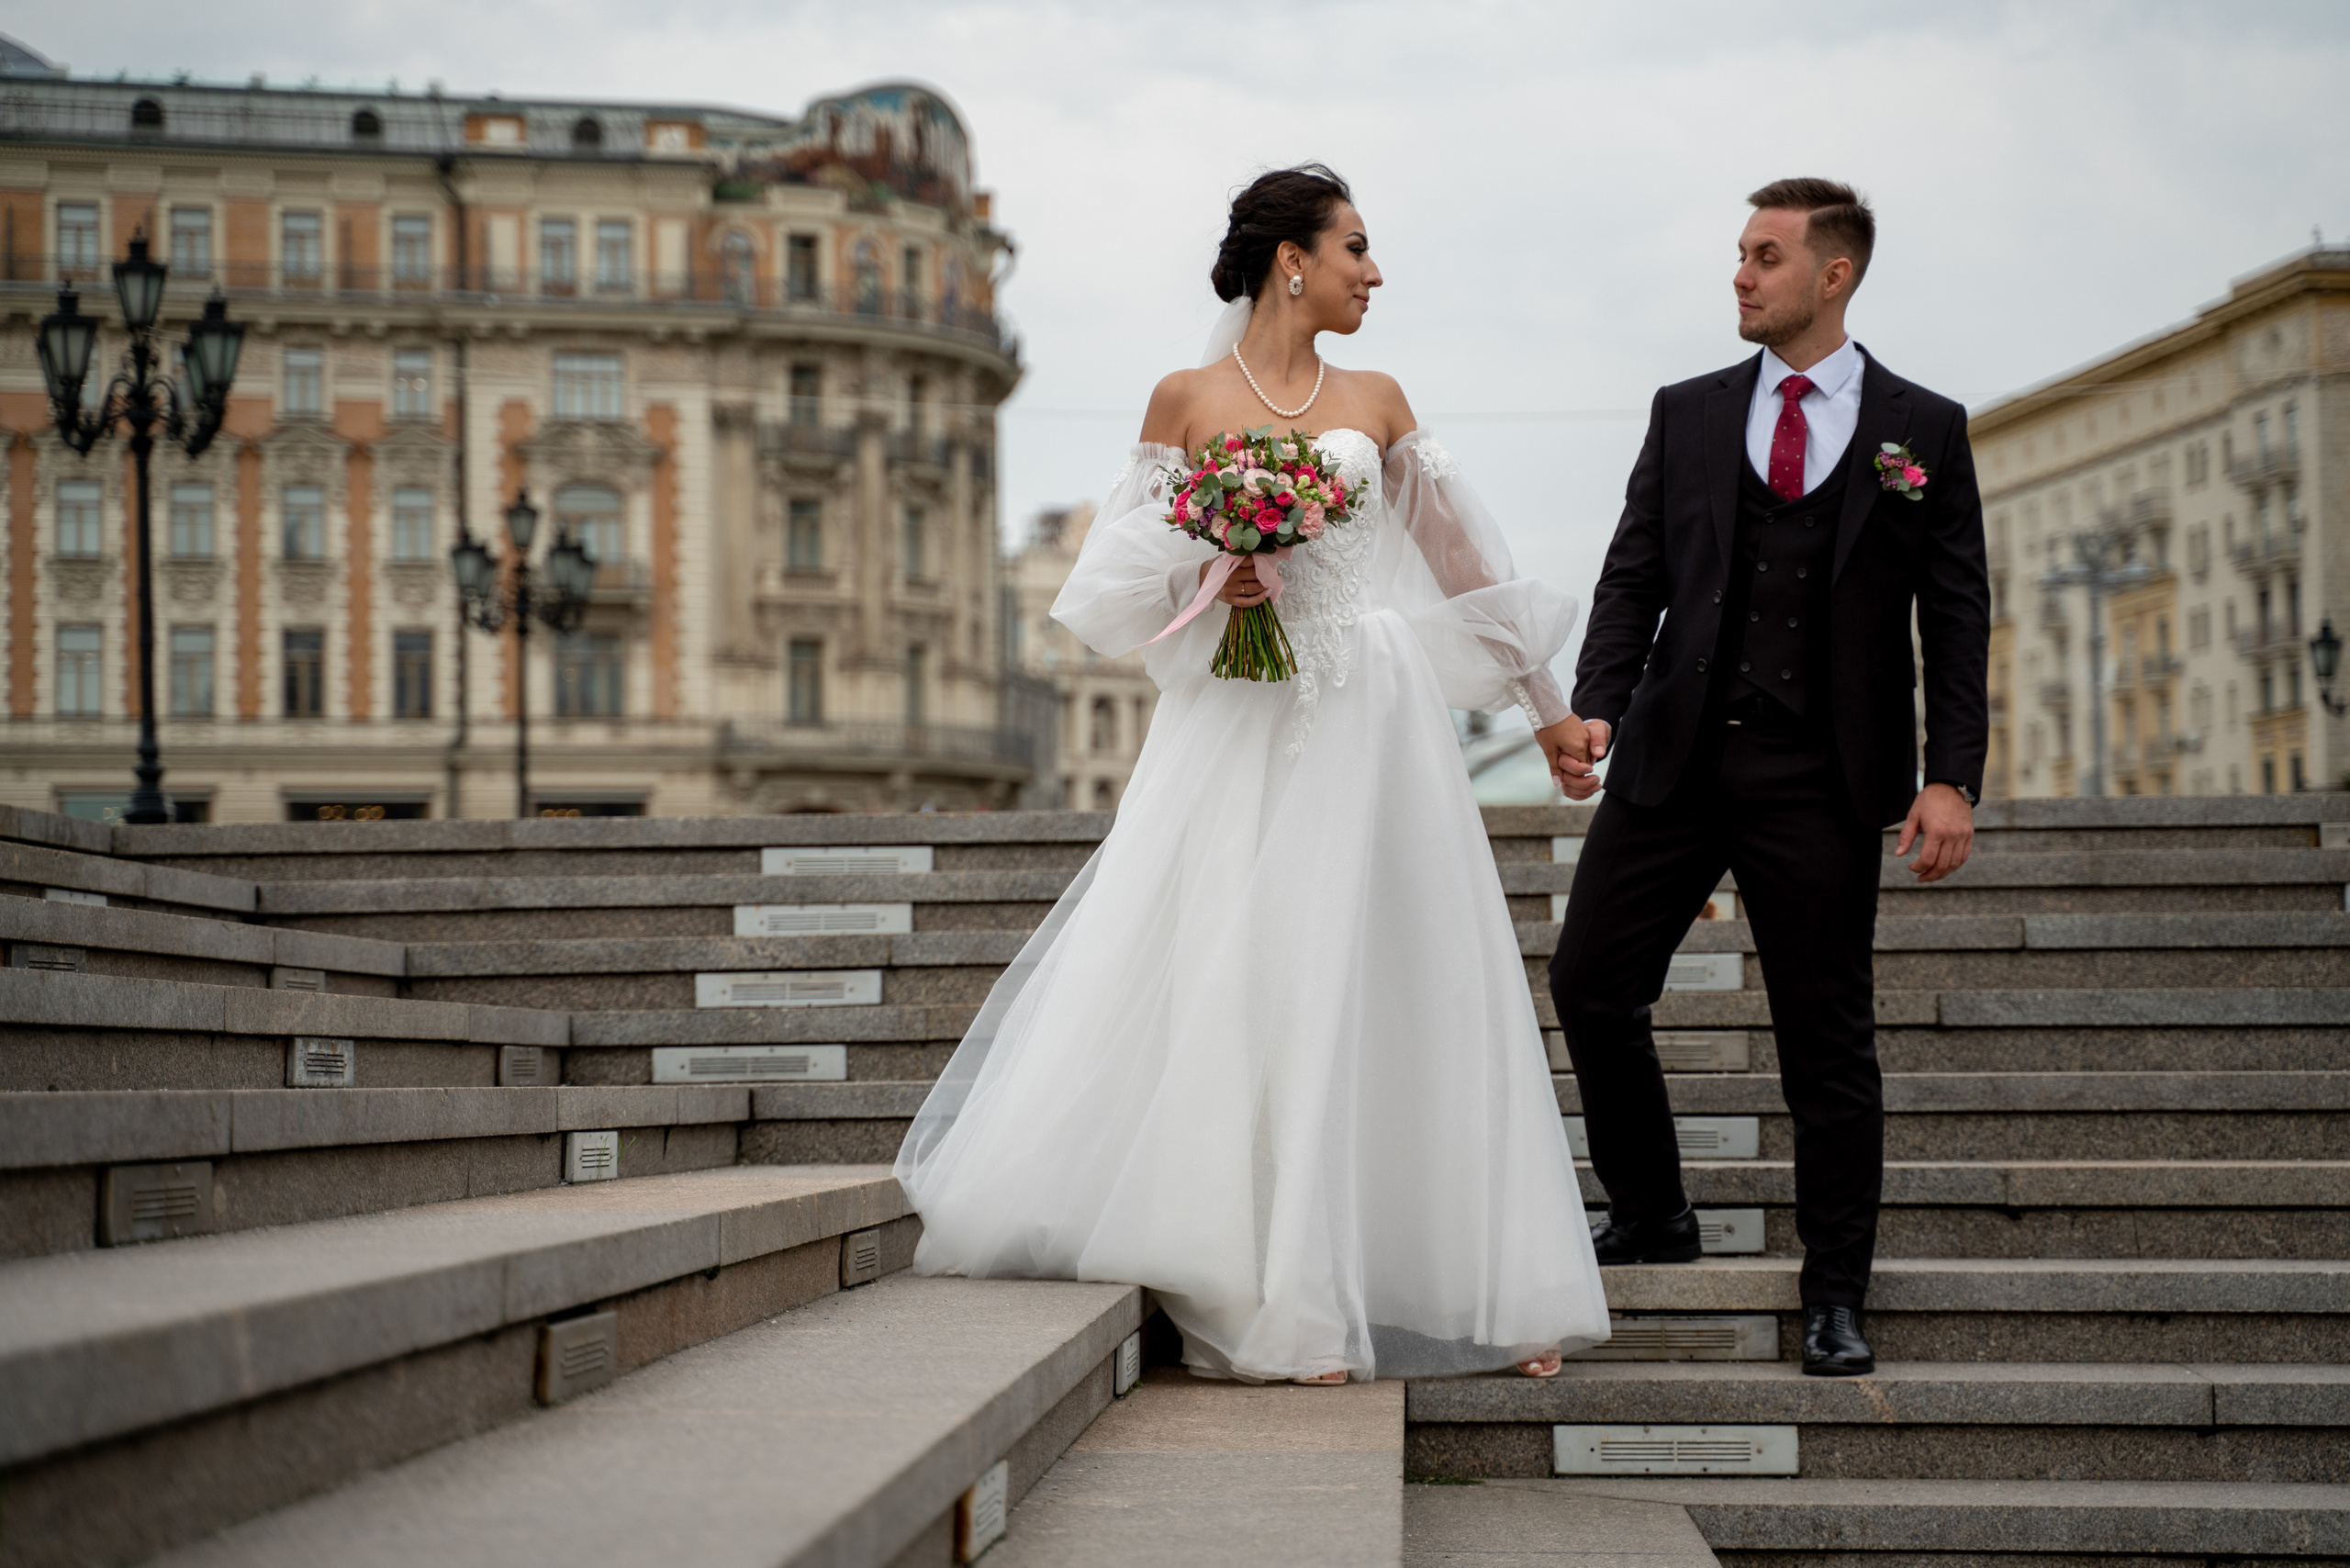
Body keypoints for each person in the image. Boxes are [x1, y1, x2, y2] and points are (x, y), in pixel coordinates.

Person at [896, 165, 1611, 1385]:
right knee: (1246, 974)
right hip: (1239, 715)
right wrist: (1211, 576)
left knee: (1394, 973)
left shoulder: (1380, 401)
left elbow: (1460, 568)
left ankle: (1463, 1283)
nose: (1372, 275)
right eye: (1356, 249)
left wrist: (1550, 714)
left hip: (1373, 717)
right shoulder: (1185, 399)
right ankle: (1276, 1290)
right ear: (1293, 259)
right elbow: (1117, 587)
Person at [1545, 179, 1990, 1377]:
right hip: (1675, 757)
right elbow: (1632, 573)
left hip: (1824, 776)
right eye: (1741, 255)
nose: (1741, 275)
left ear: (1832, 273)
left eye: (1765, 256)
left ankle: (1835, 1294)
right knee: (1590, 984)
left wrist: (1953, 779)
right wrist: (1598, 705)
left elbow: (1956, 619)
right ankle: (1652, 1212)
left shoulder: (1923, 428)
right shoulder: (1686, 412)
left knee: (1826, 1045)